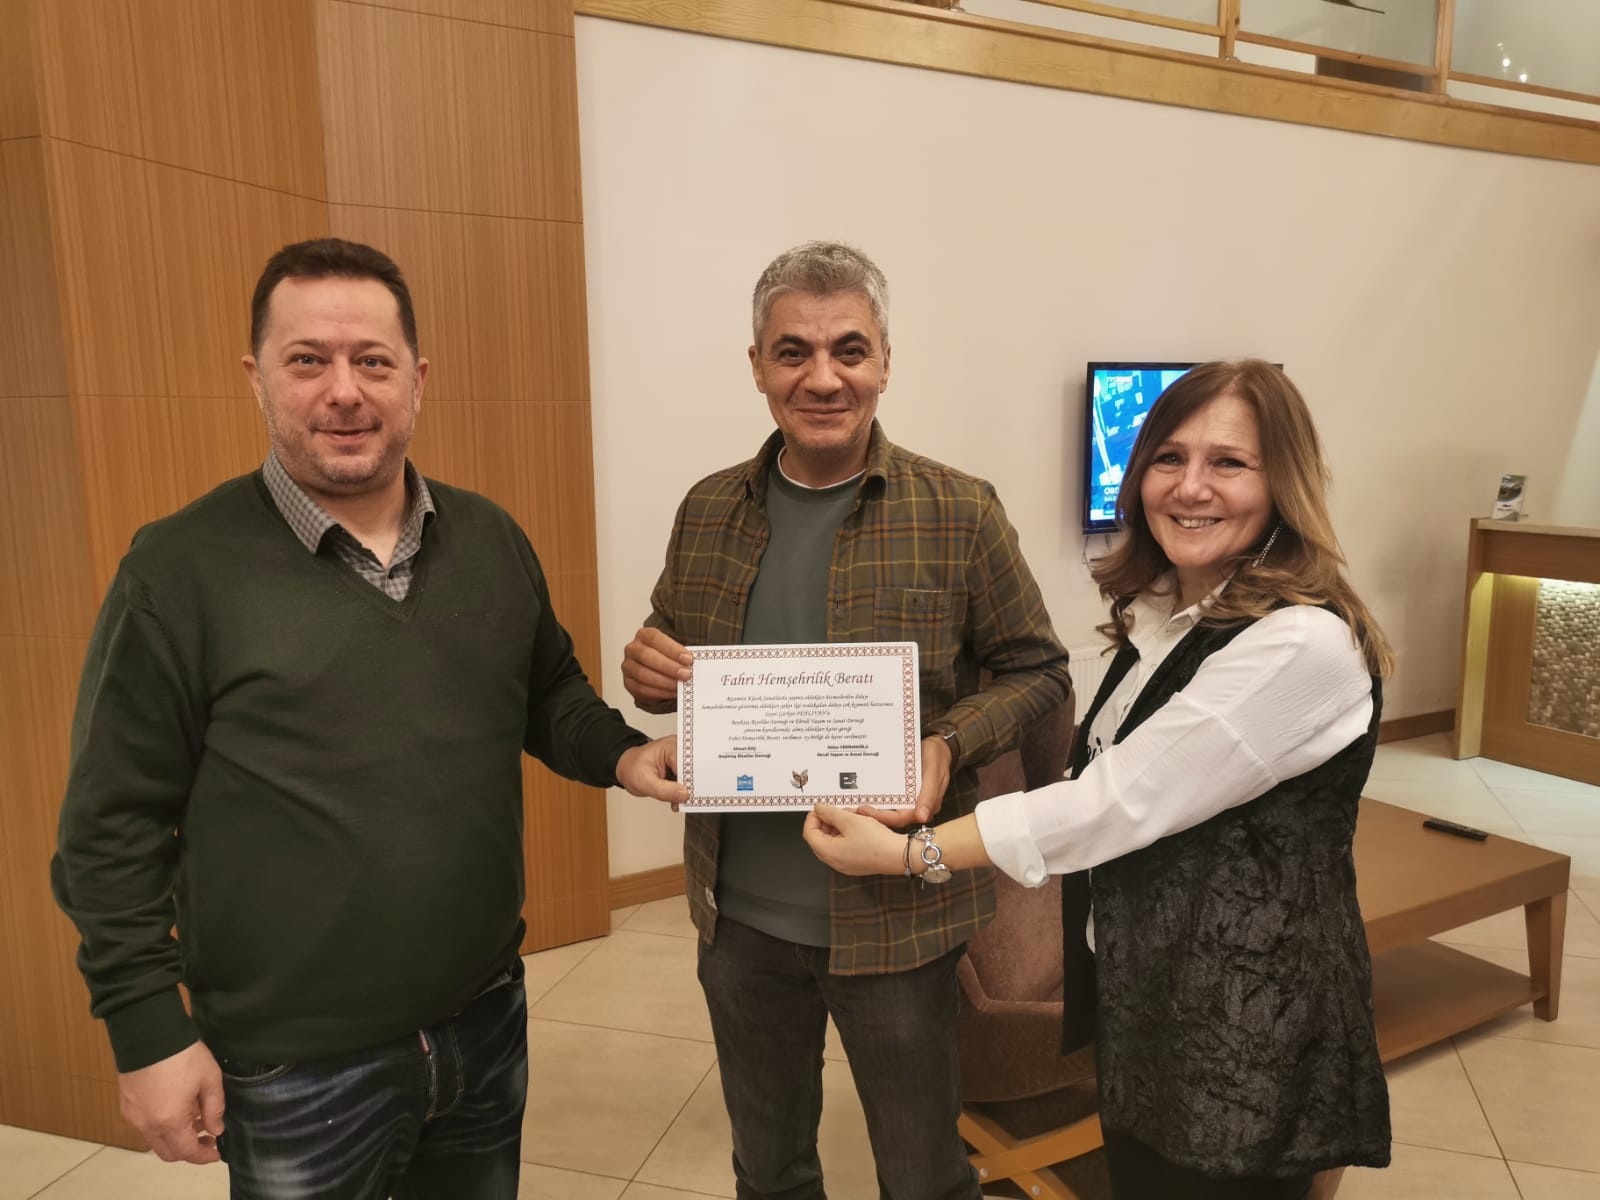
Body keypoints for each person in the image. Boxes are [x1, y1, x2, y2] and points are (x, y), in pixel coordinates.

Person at [51, 237, 686, 1200]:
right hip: (294, 1066)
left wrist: (626, 757)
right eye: (308, 360)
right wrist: (147, 1032)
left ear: (417, 380)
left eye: (373, 361)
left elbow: (548, 692)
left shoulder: (489, 537)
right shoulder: (176, 572)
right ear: (257, 378)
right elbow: (108, 830)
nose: (343, 391)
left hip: (484, 1020)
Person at [806, 359, 1393, 1199]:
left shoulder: (1301, 643)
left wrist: (910, 854)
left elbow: (1112, 802)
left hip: (1244, 1024)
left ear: (1283, 484)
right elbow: (1096, 768)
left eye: (1229, 462)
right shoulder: (1161, 616)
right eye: (1169, 458)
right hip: (1150, 996)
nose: (1191, 487)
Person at [621, 241, 1072, 1200]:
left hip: (897, 920)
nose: (823, 378)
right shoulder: (707, 510)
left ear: (885, 363)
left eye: (849, 350)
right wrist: (648, 670)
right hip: (738, 919)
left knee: (923, 1176)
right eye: (793, 351)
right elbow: (674, 654)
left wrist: (949, 742)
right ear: (757, 366)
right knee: (769, 1172)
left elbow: (1039, 669)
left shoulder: (958, 510)